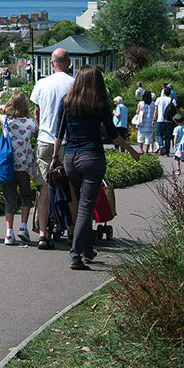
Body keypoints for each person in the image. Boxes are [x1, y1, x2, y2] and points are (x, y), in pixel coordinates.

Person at [52, 66, 140, 271]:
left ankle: (87, 249)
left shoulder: (66, 101)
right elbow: (112, 134)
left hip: (71, 158)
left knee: (82, 204)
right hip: (92, 157)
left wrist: (55, 157)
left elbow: (59, 133)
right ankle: (75, 255)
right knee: (85, 207)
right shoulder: (100, 104)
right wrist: (131, 151)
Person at [30, 48, 75, 250]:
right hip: (68, 142)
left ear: (51, 63)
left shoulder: (41, 84)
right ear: (69, 63)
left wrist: (41, 128)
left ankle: (43, 234)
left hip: (45, 140)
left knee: (44, 188)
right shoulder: (74, 84)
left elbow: (37, 112)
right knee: (70, 187)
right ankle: (73, 231)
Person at [0, 93, 36, 245]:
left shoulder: (6, 121)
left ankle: (9, 233)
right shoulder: (30, 123)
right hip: (23, 167)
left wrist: (4, 107)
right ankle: (23, 227)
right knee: (27, 196)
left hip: (7, 166)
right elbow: (37, 136)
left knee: (9, 198)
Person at [155, 86, 176, 157]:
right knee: (168, 137)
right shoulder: (172, 100)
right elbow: (175, 110)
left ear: (163, 92)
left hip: (160, 120)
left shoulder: (158, 99)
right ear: (170, 93)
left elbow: (156, 111)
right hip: (169, 120)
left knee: (159, 134)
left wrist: (154, 119)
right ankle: (167, 152)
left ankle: (161, 145)